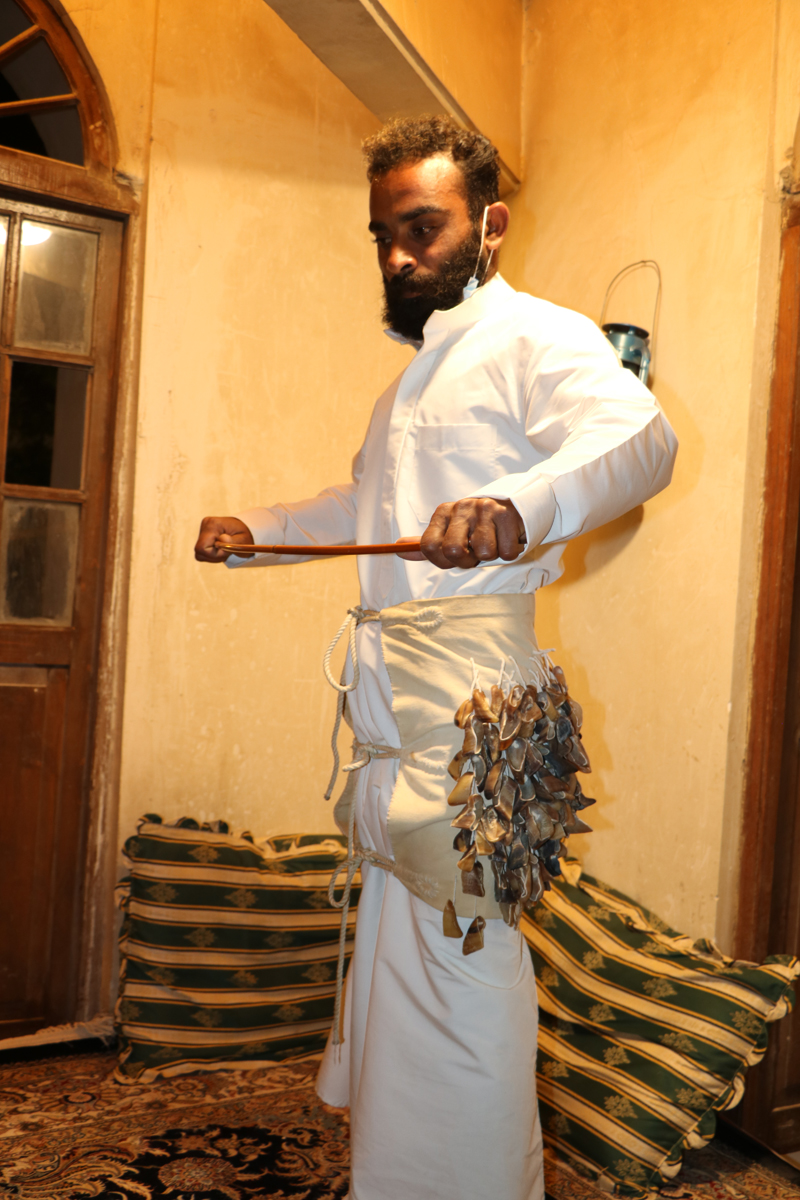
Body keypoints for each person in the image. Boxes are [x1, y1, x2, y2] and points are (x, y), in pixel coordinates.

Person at [195, 116, 678, 1200]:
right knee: (402, 972)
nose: (397, 256)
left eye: (422, 228)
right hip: (393, 730)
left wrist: (517, 506)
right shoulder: (406, 386)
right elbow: (365, 509)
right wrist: (258, 529)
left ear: (489, 224)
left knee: (463, 981)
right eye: (383, 235)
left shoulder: (538, 337)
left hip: (465, 727)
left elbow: (642, 440)